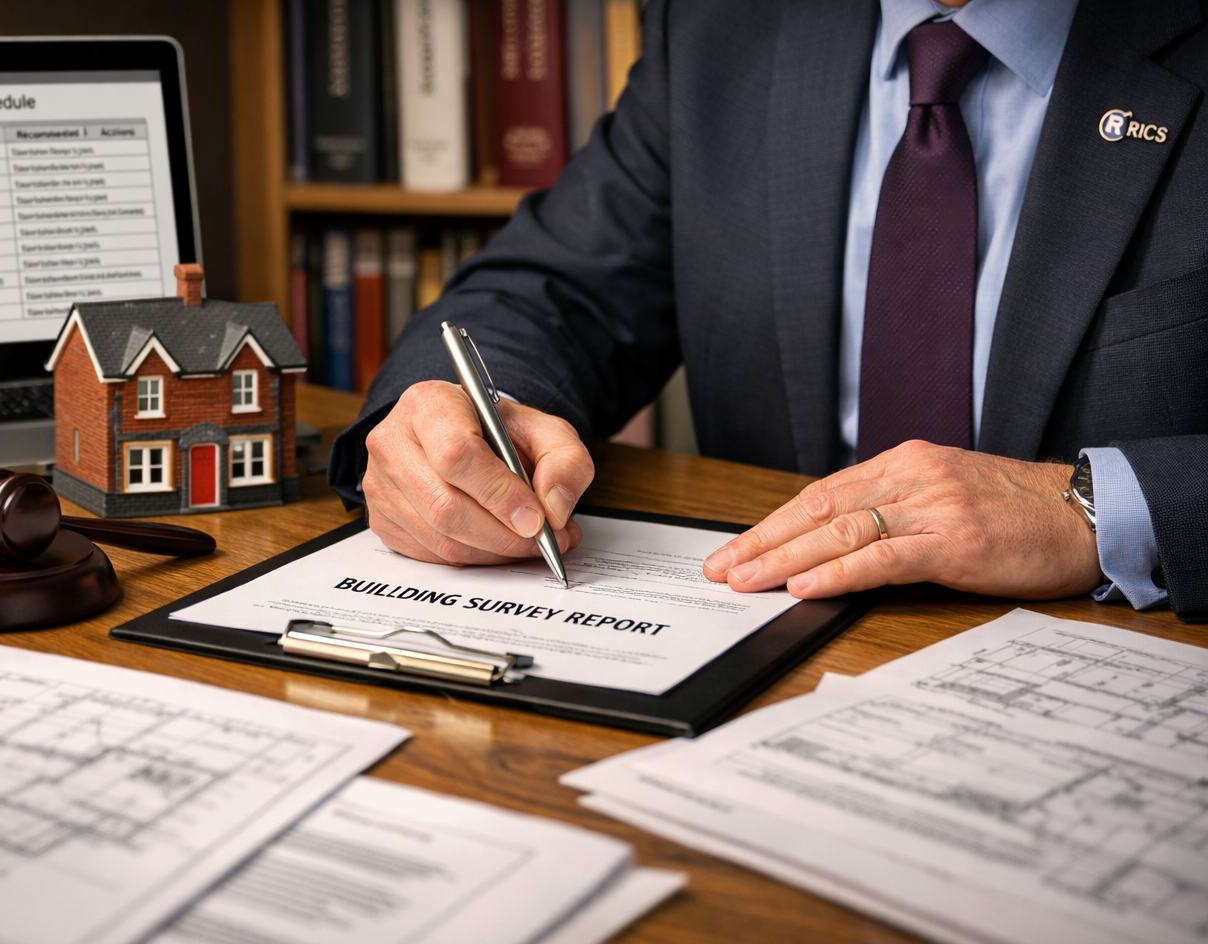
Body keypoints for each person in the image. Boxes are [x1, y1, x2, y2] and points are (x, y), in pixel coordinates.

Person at [328, 0, 1208, 623]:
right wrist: (456, 427)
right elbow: (549, 291)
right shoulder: (725, 22)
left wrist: (1095, 509)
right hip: (756, 637)